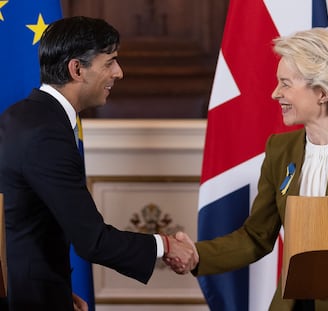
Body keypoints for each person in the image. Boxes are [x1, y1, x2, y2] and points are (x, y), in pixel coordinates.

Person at [166, 28, 328, 311]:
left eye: (285, 84)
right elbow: (257, 237)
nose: (274, 94)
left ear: (321, 92)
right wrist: (197, 255)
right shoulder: (280, 150)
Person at [0, 16, 196, 311]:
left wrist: (57, 292)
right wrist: (165, 245)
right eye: (110, 62)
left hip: (30, 289)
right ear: (77, 69)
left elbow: (30, 221)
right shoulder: (46, 133)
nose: (119, 72)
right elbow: (92, 240)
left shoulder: (24, 117)